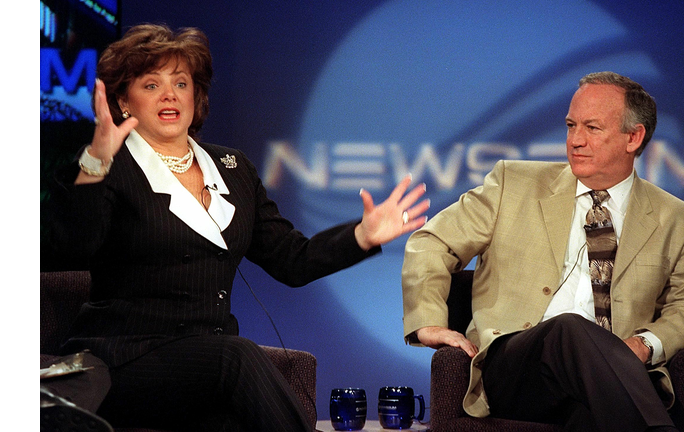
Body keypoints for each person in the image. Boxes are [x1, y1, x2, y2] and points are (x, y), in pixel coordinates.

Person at [48, 24, 429, 432]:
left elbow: (291, 260)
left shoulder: (232, 168)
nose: (170, 94)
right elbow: (72, 245)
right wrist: (95, 161)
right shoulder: (109, 166)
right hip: (124, 360)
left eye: (181, 82)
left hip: (203, 365)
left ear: (197, 96)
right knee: (238, 358)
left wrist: (361, 236)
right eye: (151, 84)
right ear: (123, 100)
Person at [401, 72, 684, 432]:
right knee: (568, 329)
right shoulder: (512, 184)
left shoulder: (678, 220)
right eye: (570, 125)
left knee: (593, 415)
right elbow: (432, 241)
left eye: (592, 128)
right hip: (519, 369)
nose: (575, 140)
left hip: (614, 382)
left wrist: (643, 345)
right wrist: (428, 323)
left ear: (634, 137)